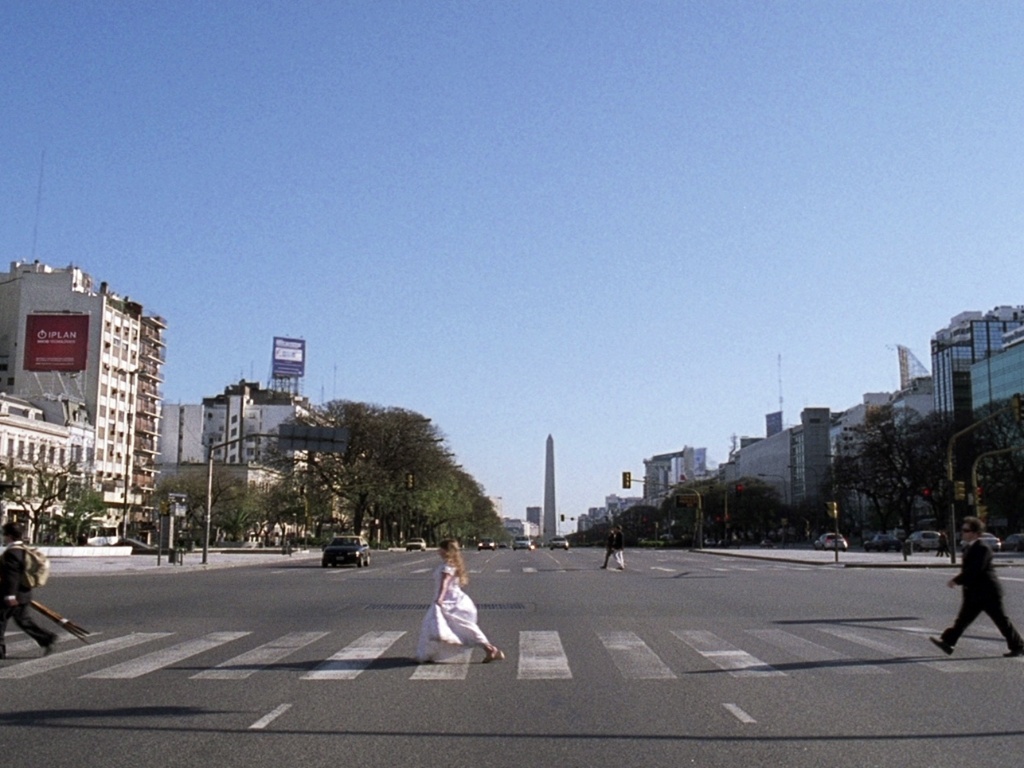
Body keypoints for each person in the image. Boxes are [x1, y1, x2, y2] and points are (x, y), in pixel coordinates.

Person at [930, 517, 1024, 658]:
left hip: (988, 593)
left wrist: (957, 580)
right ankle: (948, 643)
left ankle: (1018, 646)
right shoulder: (970, 548)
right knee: (962, 620)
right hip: (975, 593)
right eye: (963, 530)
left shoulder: (982, 548)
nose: (963, 533)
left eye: (966, 530)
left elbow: (975, 569)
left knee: (1001, 621)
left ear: (975, 533)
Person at [416, 539, 504, 664]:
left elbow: (444, 583)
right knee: (447, 627)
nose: (438, 551)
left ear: (446, 550)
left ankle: (490, 649)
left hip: (449, 602)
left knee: (460, 628)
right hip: (455, 600)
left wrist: (440, 598)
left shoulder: (447, 566)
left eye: (440, 548)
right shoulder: (452, 564)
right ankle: (430, 654)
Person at [1, 523, 57, 659]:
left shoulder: (12, 553)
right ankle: (46, 638)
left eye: (4, 534)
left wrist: (9, 596)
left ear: (9, 536)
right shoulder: (24, 550)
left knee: (2, 621)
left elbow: (12, 576)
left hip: (12, 595)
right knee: (23, 620)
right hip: (24, 593)